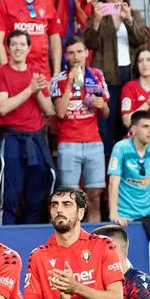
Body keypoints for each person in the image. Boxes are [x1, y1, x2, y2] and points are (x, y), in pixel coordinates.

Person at [0, 29, 54, 224]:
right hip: (12, 139)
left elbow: (49, 109)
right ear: (8, 48)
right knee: (9, 194)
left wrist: (38, 91)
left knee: (37, 195)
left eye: (22, 44)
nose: (18, 48)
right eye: (14, 44)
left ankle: (31, 237)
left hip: (36, 139)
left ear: (29, 48)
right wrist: (30, 89)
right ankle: (5, 238)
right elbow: (2, 107)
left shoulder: (36, 72)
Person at [84, 0, 148, 145]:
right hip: (106, 76)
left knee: (127, 120)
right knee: (106, 122)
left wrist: (129, 20)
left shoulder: (134, 14)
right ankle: (106, 161)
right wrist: (97, 21)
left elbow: (141, 39)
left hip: (130, 73)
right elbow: (90, 43)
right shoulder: (98, 15)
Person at [52, 37, 109, 221]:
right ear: (66, 57)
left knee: (94, 196)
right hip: (68, 144)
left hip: (93, 142)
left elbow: (106, 113)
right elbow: (60, 112)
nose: (76, 56)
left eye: (79, 52)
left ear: (86, 53)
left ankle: (95, 238)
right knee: (70, 198)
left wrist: (102, 105)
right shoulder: (58, 80)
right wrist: (70, 82)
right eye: (71, 53)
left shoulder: (97, 76)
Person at [107, 111, 150, 225]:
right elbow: (114, 182)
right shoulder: (121, 148)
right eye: (145, 126)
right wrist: (114, 215)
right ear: (133, 129)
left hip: (147, 215)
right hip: (123, 217)